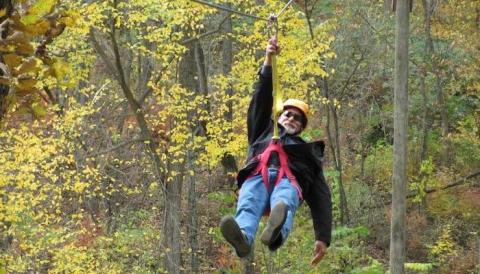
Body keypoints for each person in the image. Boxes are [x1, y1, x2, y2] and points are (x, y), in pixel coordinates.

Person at [219, 37, 332, 266]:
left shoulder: (308, 154)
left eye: (297, 118)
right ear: (279, 117)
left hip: (288, 182)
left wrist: (323, 237)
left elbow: (321, 196)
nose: (291, 118)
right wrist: (269, 60)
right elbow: (261, 98)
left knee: (285, 199)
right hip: (257, 177)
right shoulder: (262, 130)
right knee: (249, 202)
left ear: (302, 126)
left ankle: (276, 234)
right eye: (287, 114)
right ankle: (243, 237)